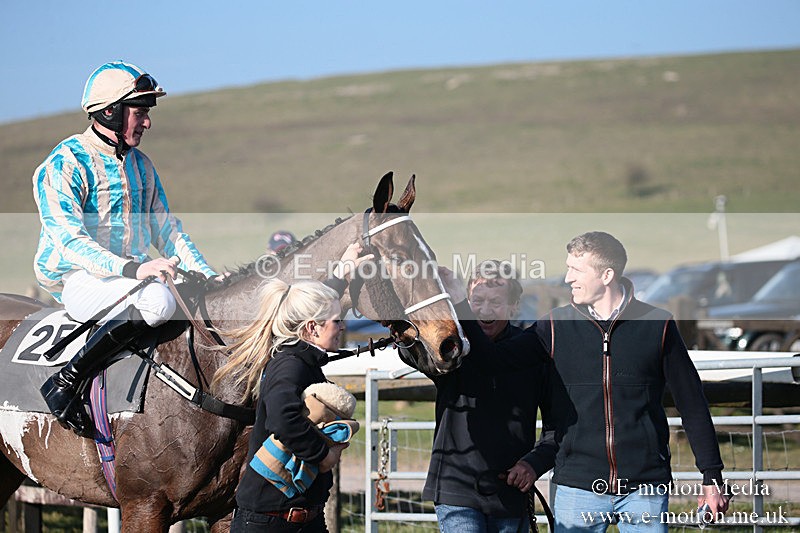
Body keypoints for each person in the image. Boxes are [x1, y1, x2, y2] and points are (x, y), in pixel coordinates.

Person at [441, 233, 730, 532]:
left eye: (576, 270)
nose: (567, 278)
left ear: (606, 275)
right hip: (577, 487)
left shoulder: (659, 325)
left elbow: (692, 403)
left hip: (645, 486)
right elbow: (492, 360)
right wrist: (461, 306)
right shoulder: (553, 326)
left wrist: (711, 476)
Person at [33, 60, 219, 434]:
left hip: (128, 281)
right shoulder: (63, 164)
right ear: (110, 111)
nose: (147, 123)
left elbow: (167, 231)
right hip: (79, 279)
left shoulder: (142, 166)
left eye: (147, 113)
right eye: (140, 112)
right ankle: (65, 382)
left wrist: (211, 277)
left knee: (195, 298)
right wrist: (133, 269)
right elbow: (69, 240)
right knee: (159, 301)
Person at [217, 244, 369, 532]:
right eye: (336, 321)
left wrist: (342, 271)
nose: (341, 327)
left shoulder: (300, 358)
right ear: (312, 328)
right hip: (271, 523)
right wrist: (323, 456)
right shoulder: (291, 365)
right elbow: (283, 418)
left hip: (298, 519)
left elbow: (316, 306)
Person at [399, 260, 557, 532]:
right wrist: (408, 324)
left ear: (514, 306)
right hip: (456, 490)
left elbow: (557, 427)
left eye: (495, 301)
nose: (485, 309)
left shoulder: (533, 353)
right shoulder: (452, 346)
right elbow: (416, 353)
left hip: (510, 492)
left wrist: (533, 465)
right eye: (477, 300)